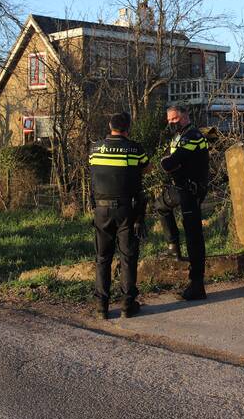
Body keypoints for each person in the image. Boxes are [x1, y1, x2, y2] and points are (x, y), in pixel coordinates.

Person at [88, 112, 149, 319]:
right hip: (126, 209)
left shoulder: (95, 149)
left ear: (109, 126)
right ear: (127, 128)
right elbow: (145, 168)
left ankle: (101, 307)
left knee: (102, 258)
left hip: (101, 210)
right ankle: (127, 305)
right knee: (128, 257)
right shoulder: (134, 149)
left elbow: (94, 169)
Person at [158, 105, 209, 301]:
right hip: (180, 189)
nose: (171, 123)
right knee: (160, 206)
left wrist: (169, 163)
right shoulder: (179, 135)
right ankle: (173, 248)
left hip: (191, 191)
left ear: (185, 116)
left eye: (175, 119)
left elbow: (170, 163)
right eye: (169, 120)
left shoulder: (192, 136)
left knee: (193, 236)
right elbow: (170, 161)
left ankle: (197, 284)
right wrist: (170, 163)